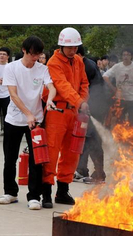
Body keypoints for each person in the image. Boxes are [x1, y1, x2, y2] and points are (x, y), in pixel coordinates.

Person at [0, 36, 56, 210]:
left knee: (37, 160)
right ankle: (10, 192)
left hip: (36, 122)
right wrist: (28, 113)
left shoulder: (42, 69)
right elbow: (13, 95)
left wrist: (50, 100)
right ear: (24, 50)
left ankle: (34, 196)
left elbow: (51, 87)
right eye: (32, 54)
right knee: (10, 158)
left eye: (38, 55)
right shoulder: (11, 68)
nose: (35, 58)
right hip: (14, 120)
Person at [41, 27, 89, 208]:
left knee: (72, 152)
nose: (73, 50)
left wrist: (84, 101)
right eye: (70, 47)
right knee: (51, 152)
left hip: (74, 112)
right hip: (57, 112)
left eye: (76, 47)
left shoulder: (78, 60)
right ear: (61, 46)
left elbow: (84, 82)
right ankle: (46, 192)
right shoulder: (53, 63)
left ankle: (63, 190)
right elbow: (62, 86)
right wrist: (79, 102)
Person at [74, 45, 107, 184]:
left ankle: (98, 174)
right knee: (85, 139)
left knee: (92, 140)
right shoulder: (87, 64)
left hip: (94, 108)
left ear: (79, 54)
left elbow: (82, 88)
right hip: (92, 106)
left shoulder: (86, 66)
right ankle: (82, 170)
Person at [103, 48, 133, 126]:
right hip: (120, 99)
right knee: (119, 120)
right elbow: (105, 76)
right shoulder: (117, 66)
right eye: (124, 55)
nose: (126, 57)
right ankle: (119, 137)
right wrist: (113, 88)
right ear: (121, 56)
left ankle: (132, 138)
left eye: (128, 55)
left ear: (131, 56)